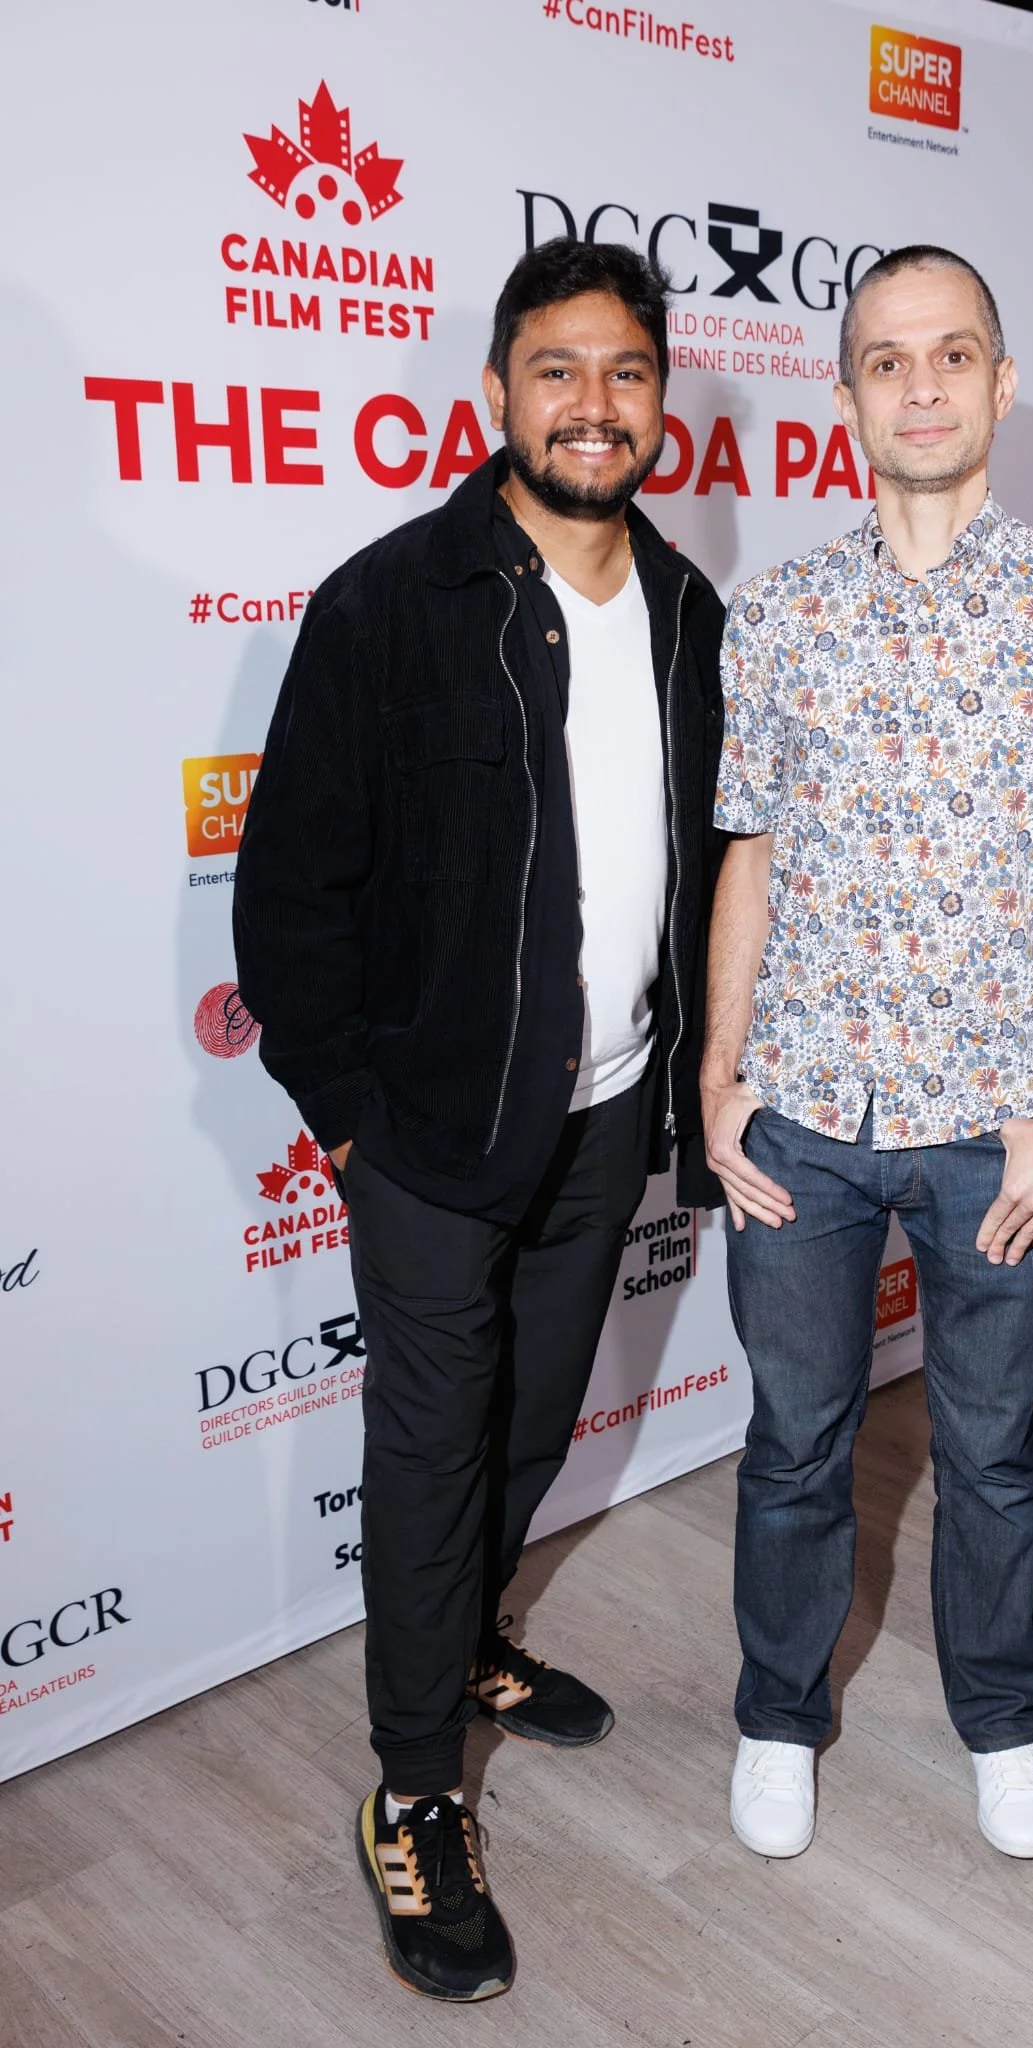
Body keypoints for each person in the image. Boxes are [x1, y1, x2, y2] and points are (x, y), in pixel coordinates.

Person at [234, 238, 724, 2001]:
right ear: (498, 393)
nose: (595, 404)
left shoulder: (690, 612)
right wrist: (346, 1118)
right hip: (431, 1134)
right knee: (435, 1447)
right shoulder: (391, 603)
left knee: (527, 1422)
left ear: (660, 403)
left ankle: (465, 1648)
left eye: (626, 372)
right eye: (557, 369)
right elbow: (290, 892)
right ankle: (417, 1790)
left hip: (609, 1112)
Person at [702, 245, 1033, 1864]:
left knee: (994, 1458)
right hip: (803, 1126)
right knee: (794, 1448)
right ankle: (780, 1716)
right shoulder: (778, 614)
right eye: (888, 360)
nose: (922, 385)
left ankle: (998, 1716)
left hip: (998, 1133)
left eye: (953, 354)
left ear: (1001, 382)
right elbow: (752, 852)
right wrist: (719, 1077)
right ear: (845, 396)